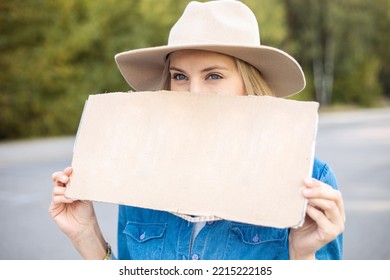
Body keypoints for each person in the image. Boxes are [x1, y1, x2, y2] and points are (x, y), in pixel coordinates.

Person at [49, 0, 345, 260]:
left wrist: (303, 258)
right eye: (180, 76)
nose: (193, 92)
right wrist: (86, 236)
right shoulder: (140, 174)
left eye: (213, 75)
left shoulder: (308, 182)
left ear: (250, 87)